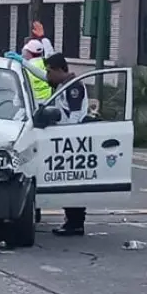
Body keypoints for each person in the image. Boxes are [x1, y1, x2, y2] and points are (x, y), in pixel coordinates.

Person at [43, 53, 90, 236]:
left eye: (49, 72)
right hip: (65, 139)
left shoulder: (73, 87)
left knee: (73, 183)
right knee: (67, 181)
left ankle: (75, 222)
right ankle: (72, 221)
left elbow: (75, 116)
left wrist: (67, 135)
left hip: (72, 140)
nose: (47, 76)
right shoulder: (63, 85)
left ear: (59, 70)